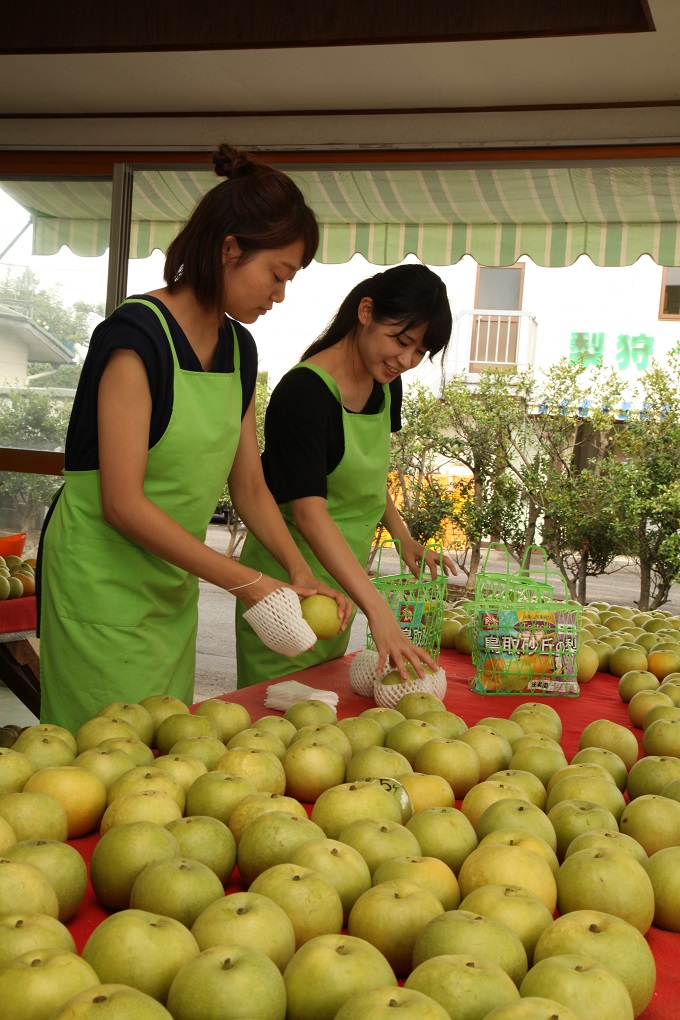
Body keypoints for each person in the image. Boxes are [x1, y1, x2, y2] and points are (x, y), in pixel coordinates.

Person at [37, 143, 350, 734]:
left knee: (163, 751)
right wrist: (250, 583)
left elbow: (250, 485)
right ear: (229, 249)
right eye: (276, 275)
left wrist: (294, 567)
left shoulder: (239, 350)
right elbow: (122, 502)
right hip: (99, 585)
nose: (278, 295)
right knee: (95, 754)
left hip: (170, 579)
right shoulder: (136, 338)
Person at [235, 263, 456, 689]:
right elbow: (309, 514)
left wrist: (403, 537)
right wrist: (378, 610)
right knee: (273, 719)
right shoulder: (305, 395)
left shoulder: (385, 383)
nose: (406, 361)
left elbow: (368, 477)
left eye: (419, 352)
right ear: (366, 311)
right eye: (402, 341)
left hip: (343, 587)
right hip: (289, 591)